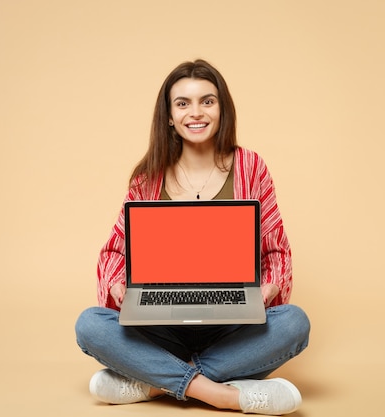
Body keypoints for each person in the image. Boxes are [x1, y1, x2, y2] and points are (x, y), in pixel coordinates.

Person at [75, 59, 310, 415]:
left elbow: (276, 250)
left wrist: (269, 288)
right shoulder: (147, 176)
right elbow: (115, 251)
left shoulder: (251, 167)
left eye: (207, 101)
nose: (195, 112)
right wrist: (119, 286)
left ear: (221, 109)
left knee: (295, 323)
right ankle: (222, 394)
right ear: (169, 115)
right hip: (161, 324)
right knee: (89, 325)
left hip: (232, 324)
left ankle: (153, 384)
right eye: (182, 103)